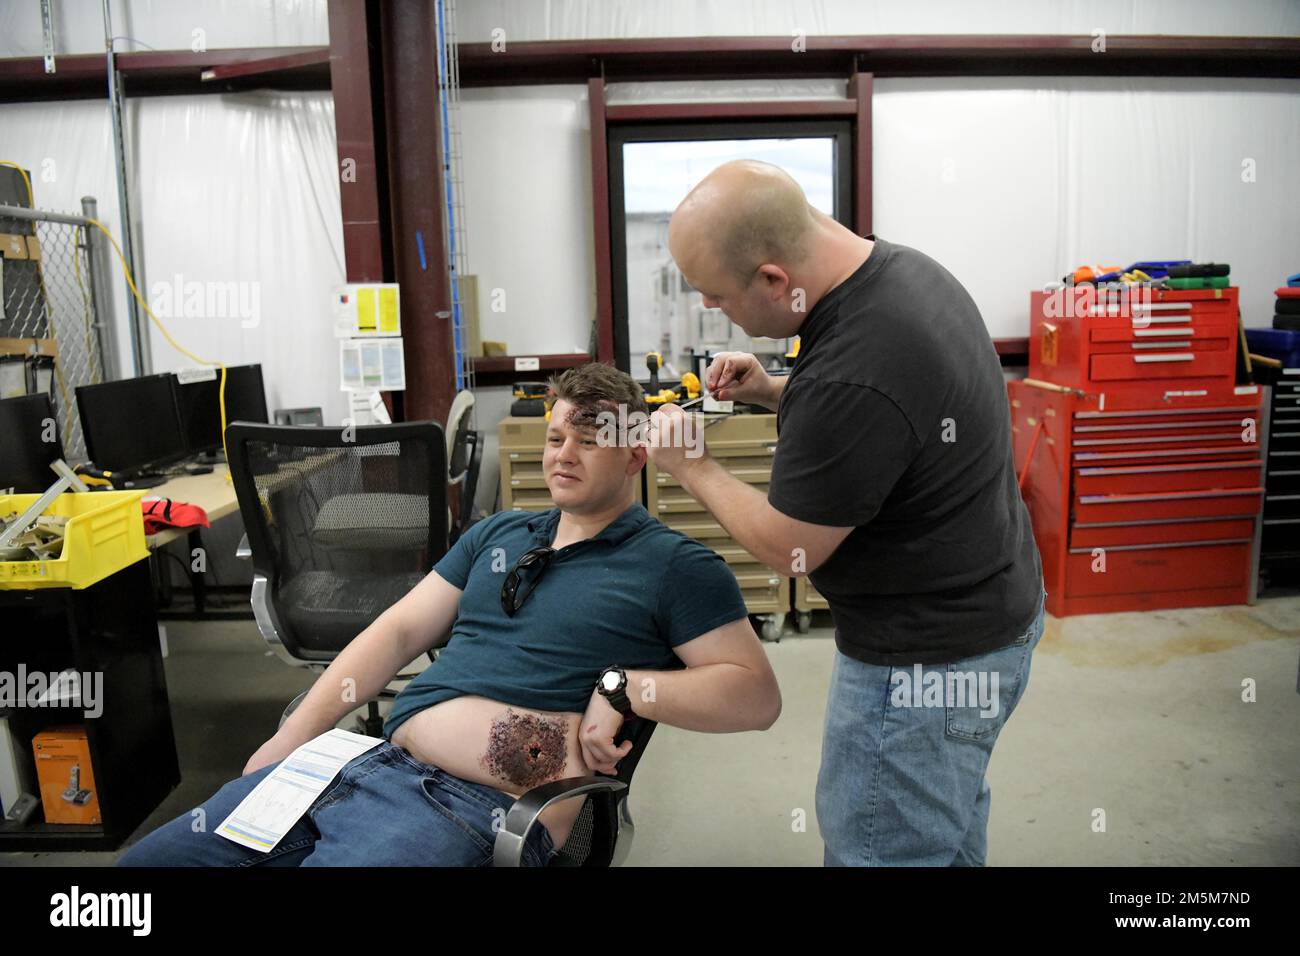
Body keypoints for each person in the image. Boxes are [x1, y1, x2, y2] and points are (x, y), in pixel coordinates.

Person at [120, 363, 780, 867]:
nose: (561, 455)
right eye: (554, 438)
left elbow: (755, 697)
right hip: (360, 765)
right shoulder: (498, 536)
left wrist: (625, 686)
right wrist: (290, 739)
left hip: (473, 808)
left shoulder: (674, 566)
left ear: (637, 454)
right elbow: (398, 631)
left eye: (587, 440)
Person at [647, 159, 1045, 866]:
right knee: (943, 832)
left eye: (719, 297)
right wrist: (778, 390)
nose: (716, 312)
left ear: (773, 278)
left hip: (925, 661)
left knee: (882, 848)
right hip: (993, 617)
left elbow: (790, 549)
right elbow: (891, 418)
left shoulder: (850, 372)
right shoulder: (905, 273)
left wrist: (692, 466)